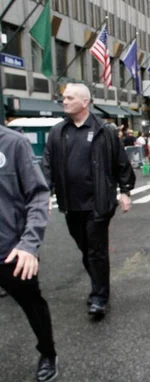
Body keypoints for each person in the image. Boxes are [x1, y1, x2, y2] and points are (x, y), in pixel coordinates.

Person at [42, 83, 135, 318]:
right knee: (85, 248)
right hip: (71, 204)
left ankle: (99, 298)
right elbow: (47, 166)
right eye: (64, 98)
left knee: (96, 250)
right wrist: (43, 195)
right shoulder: (57, 132)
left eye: (70, 98)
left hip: (98, 203)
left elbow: (122, 164)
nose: (64, 101)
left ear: (84, 102)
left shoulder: (105, 131)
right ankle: (99, 283)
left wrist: (125, 191)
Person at [0, 125, 58, 382]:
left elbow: (37, 195)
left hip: (11, 250)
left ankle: (47, 352)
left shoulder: (14, 143)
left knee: (32, 304)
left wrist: (29, 244)